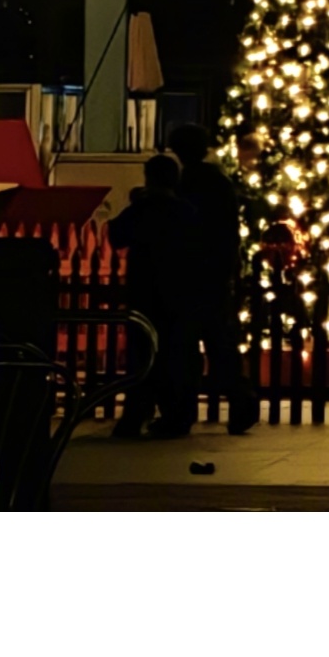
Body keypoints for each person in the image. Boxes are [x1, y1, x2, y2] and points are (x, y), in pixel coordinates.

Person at [165, 121, 261, 433]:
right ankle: (240, 403)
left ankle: (182, 412)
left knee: (187, 348)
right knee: (220, 344)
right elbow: (228, 231)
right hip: (213, 273)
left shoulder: (186, 183)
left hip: (191, 273)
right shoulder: (218, 182)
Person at [113, 148, 203, 442]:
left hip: (145, 290)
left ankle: (137, 413)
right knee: (177, 354)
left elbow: (117, 236)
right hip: (180, 293)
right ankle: (178, 414)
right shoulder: (186, 211)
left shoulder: (142, 209)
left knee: (143, 355)